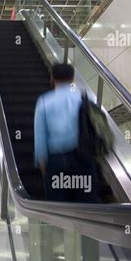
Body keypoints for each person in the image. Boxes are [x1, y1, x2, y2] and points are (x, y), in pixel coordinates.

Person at [34, 63, 100, 203]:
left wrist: (43, 164)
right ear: (72, 79)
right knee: (87, 204)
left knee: (59, 206)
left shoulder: (44, 101)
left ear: (52, 78)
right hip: (83, 158)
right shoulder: (84, 99)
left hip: (56, 161)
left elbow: (40, 136)